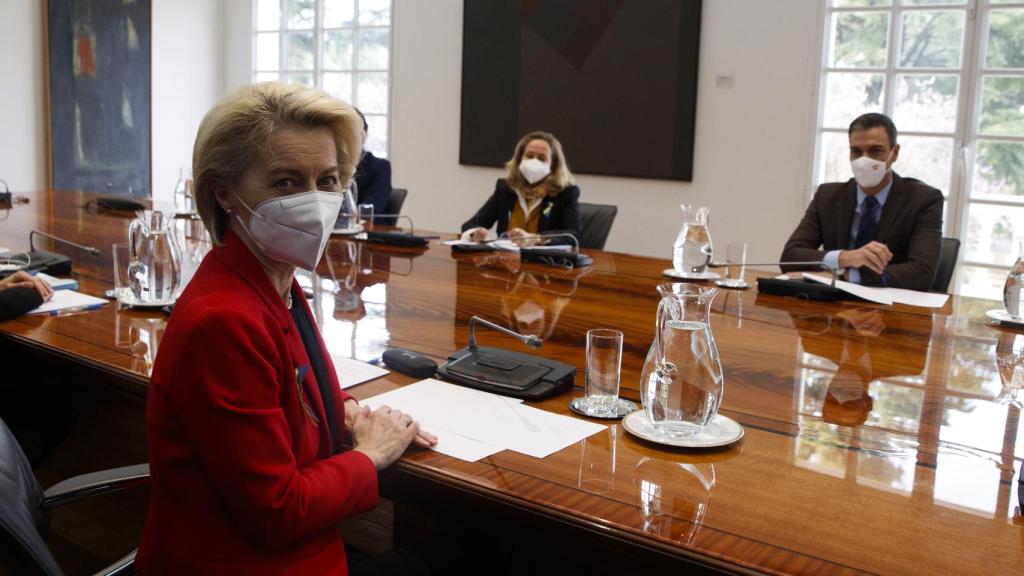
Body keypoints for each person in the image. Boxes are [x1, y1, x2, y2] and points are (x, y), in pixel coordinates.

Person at [136, 82, 435, 576]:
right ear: (224, 193)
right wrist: (371, 454)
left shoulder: (274, 280)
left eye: (329, 180)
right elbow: (277, 510)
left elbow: (290, 388)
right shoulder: (224, 321)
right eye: (286, 182)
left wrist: (350, 412)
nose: (314, 202)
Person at [780, 113, 943, 292]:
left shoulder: (923, 200)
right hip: (831, 306)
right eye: (856, 151)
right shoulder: (827, 196)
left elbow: (921, 274)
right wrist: (846, 257)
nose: (864, 160)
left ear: (894, 153)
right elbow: (790, 258)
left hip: (891, 310)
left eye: (875, 150)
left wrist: (844, 276)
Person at [461, 131, 582, 242]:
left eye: (542, 158)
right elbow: (471, 225)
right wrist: (475, 234)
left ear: (553, 164)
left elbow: (573, 236)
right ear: (519, 159)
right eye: (529, 156)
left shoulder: (566, 193)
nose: (534, 162)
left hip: (543, 261)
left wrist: (535, 239)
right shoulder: (505, 188)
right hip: (506, 259)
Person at [352, 108, 392, 224]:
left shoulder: (380, 167)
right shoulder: (328, 167)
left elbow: (372, 210)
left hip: (368, 234)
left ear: (365, 133)